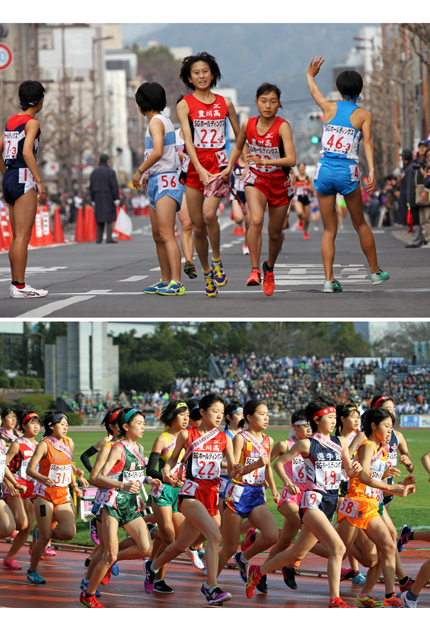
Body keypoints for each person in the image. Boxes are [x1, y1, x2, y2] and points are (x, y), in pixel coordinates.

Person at [245, 395, 361, 608]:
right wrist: (287, 482)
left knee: (297, 552)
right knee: (338, 547)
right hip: (312, 502)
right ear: (317, 419)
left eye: (336, 416)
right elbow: (279, 463)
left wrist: (355, 470)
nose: (334, 420)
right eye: (330, 417)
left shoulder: (340, 442)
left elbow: (348, 471)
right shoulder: (307, 444)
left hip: (331, 502)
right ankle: (335, 599)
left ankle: (257, 571)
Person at [143, 394, 239, 606]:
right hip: (191, 492)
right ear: (202, 413)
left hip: (212, 494)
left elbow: (232, 470)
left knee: (181, 544)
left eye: (222, 413)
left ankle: (153, 566)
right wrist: (167, 471)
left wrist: (245, 468)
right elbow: (174, 458)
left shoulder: (225, 439)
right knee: (214, 536)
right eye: (215, 411)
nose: (219, 416)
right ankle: (211, 587)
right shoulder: (188, 435)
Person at [306, 58, 389, 292]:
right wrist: (371, 170)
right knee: (360, 223)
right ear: (360, 90)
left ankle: (328, 280)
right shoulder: (364, 115)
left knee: (329, 229)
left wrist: (310, 75)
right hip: (347, 171)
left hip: (324, 169)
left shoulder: (329, 107)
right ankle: (374, 273)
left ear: (339, 89)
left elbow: (314, 92)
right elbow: (369, 143)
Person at [80, 408, 161, 608]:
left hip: (131, 504)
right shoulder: (116, 448)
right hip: (112, 503)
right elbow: (97, 477)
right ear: (126, 427)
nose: (143, 427)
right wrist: (122, 486)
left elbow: (135, 475)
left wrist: (149, 480)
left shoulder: (140, 449)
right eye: (139, 423)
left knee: (145, 548)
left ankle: (110, 564)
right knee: (109, 554)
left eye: (144, 423)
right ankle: (88, 594)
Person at [176, 52, 241, 298]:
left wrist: (234, 163)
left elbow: (239, 136)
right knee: (197, 226)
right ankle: (206, 273)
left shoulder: (226, 104)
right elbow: (188, 140)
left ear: (213, 74)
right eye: (196, 72)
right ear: (189, 78)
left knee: (209, 214)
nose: (201, 76)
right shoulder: (185, 104)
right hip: (195, 168)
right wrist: (199, 168)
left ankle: (217, 260)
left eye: (205, 71)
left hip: (218, 165)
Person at [336, 407, 415, 607]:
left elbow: (373, 482)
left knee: (387, 546)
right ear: (373, 425)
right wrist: (390, 486)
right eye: (386, 426)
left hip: (371, 505)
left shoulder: (380, 449)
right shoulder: (368, 445)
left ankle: (384, 595)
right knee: (338, 551)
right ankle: (295, 553)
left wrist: (400, 487)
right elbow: (362, 476)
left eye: (392, 427)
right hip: (358, 503)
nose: (390, 431)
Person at [223, 83, 295, 296]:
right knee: (255, 220)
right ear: (256, 103)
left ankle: (269, 268)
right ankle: (254, 270)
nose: (268, 105)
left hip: (279, 182)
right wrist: (228, 168)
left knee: (275, 234)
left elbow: (291, 158)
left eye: (273, 101)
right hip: (256, 178)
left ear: (279, 104)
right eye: (263, 101)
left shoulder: (283, 126)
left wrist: (266, 161)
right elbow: (238, 146)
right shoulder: (248, 124)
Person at [218, 400, 279, 594]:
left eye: (267, 413)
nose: (266, 417)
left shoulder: (269, 441)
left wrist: (274, 489)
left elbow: (267, 466)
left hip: (256, 494)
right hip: (237, 493)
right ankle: (210, 584)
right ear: (250, 417)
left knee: (272, 535)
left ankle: (243, 558)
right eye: (262, 414)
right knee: (228, 547)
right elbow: (234, 472)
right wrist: (255, 465)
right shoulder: (240, 439)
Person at [133, 82, 184, 297]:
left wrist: (140, 171)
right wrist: (148, 174)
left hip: (165, 180)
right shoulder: (161, 120)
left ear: (140, 105)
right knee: (158, 234)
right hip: (157, 179)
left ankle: (176, 282)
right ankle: (165, 280)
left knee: (166, 234)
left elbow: (157, 151)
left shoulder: (155, 122)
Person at [0, 80, 48, 298]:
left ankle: (16, 284)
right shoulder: (32, 123)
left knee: (16, 236)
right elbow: (28, 153)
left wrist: (5, 172)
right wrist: (39, 181)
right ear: (40, 101)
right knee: (23, 235)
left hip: (9, 176)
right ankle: (19, 286)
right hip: (24, 177)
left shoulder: (12, 120)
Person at [26, 412, 83, 585]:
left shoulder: (69, 442)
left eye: (67, 424)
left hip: (63, 494)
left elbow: (67, 466)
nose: (66, 427)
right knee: (44, 537)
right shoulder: (44, 445)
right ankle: (32, 570)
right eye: (62, 424)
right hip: (44, 495)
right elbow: (30, 469)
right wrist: (43, 478)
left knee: (69, 532)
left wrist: (75, 482)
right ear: (51, 426)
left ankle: (39, 532)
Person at [145, 401, 190, 592]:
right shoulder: (162, 438)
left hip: (180, 491)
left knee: (178, 541)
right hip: (162, 490)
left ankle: (152, 563)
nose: (186, 419)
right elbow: (150, 469)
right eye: (182, 415)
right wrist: (167, 478)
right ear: (173, 416)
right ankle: (159, 579)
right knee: (169, 538)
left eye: (188, 415)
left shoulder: (189, 438)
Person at [2, 411, 40, 569]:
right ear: (23, 426)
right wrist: (9, 483)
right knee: (20, 523)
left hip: (31, 487)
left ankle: (9, 557)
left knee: (27, 528)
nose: (36, 426)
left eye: (38, 423)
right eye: (32, 423)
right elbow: (3, 464)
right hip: (16, 485)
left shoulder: (39, 446)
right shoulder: (17, 444)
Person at [175, 125, 197, 279]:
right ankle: (189, 261)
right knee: (187, 223)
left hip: (197, 182)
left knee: (199, 225)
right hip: (180, 182)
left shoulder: (199, 135)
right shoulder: (173, 135)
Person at [89, 153, 120, 244]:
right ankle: (109, 238)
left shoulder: (94, 173)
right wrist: (116, 198)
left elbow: (91, 187)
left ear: (99, 161)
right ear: (107, 161)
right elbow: (114, 186)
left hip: (97, 196)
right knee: (109, 216)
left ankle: (99, 238)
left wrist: (92, 199)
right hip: (108, 195)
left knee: (99, 217)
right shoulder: (110, 171)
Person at [294, 163, 314, 240]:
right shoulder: (295, 178)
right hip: (298, 198)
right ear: (298, 168)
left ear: (305, 168)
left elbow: (312, 189)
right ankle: (300, 220)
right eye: (300, 167)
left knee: (307, 218)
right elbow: (294, 189)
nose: (302, 168)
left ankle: (305, 231)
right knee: (299, 212)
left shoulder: (308, 178)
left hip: (306, 198)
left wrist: (307, 187)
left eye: (303, 167)